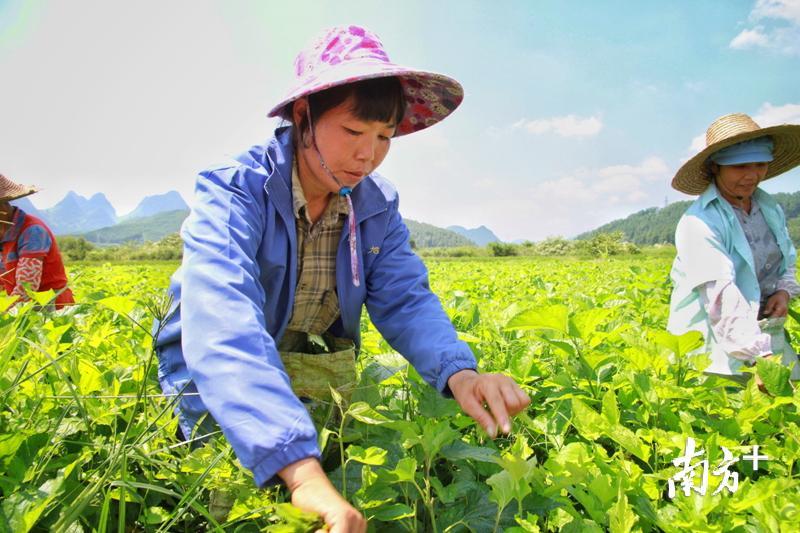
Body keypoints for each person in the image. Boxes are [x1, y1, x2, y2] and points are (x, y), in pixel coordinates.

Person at [154, 25, 530, 530]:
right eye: (354, 132)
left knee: (323, 501)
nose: (368, 155)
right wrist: (302, 474)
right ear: (304, 116)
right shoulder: (237, 190)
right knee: (224, 504)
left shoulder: (374, 205)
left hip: (314, 364)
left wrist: (460, 372)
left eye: (384, 137)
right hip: (224, 374)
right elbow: (222, 317)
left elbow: (404, 298)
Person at [668, 113, 800, 386]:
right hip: (713, 343)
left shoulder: (769, 209)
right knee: (727, 415)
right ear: (716, 167)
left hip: (762, 335)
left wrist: (784, 291)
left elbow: (786, 260)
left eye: (761, 164)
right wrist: (758, 355)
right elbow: (719, 294)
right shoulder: (699, 223)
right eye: (740, 166)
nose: (752, 176)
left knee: (783, 407)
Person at [0, 174, 75, 309]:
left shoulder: (32, 231)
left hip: (50, 309)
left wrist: (4, 312)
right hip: (21, 310)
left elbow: (27, 288)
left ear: (3, 209)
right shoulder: (3, 233)